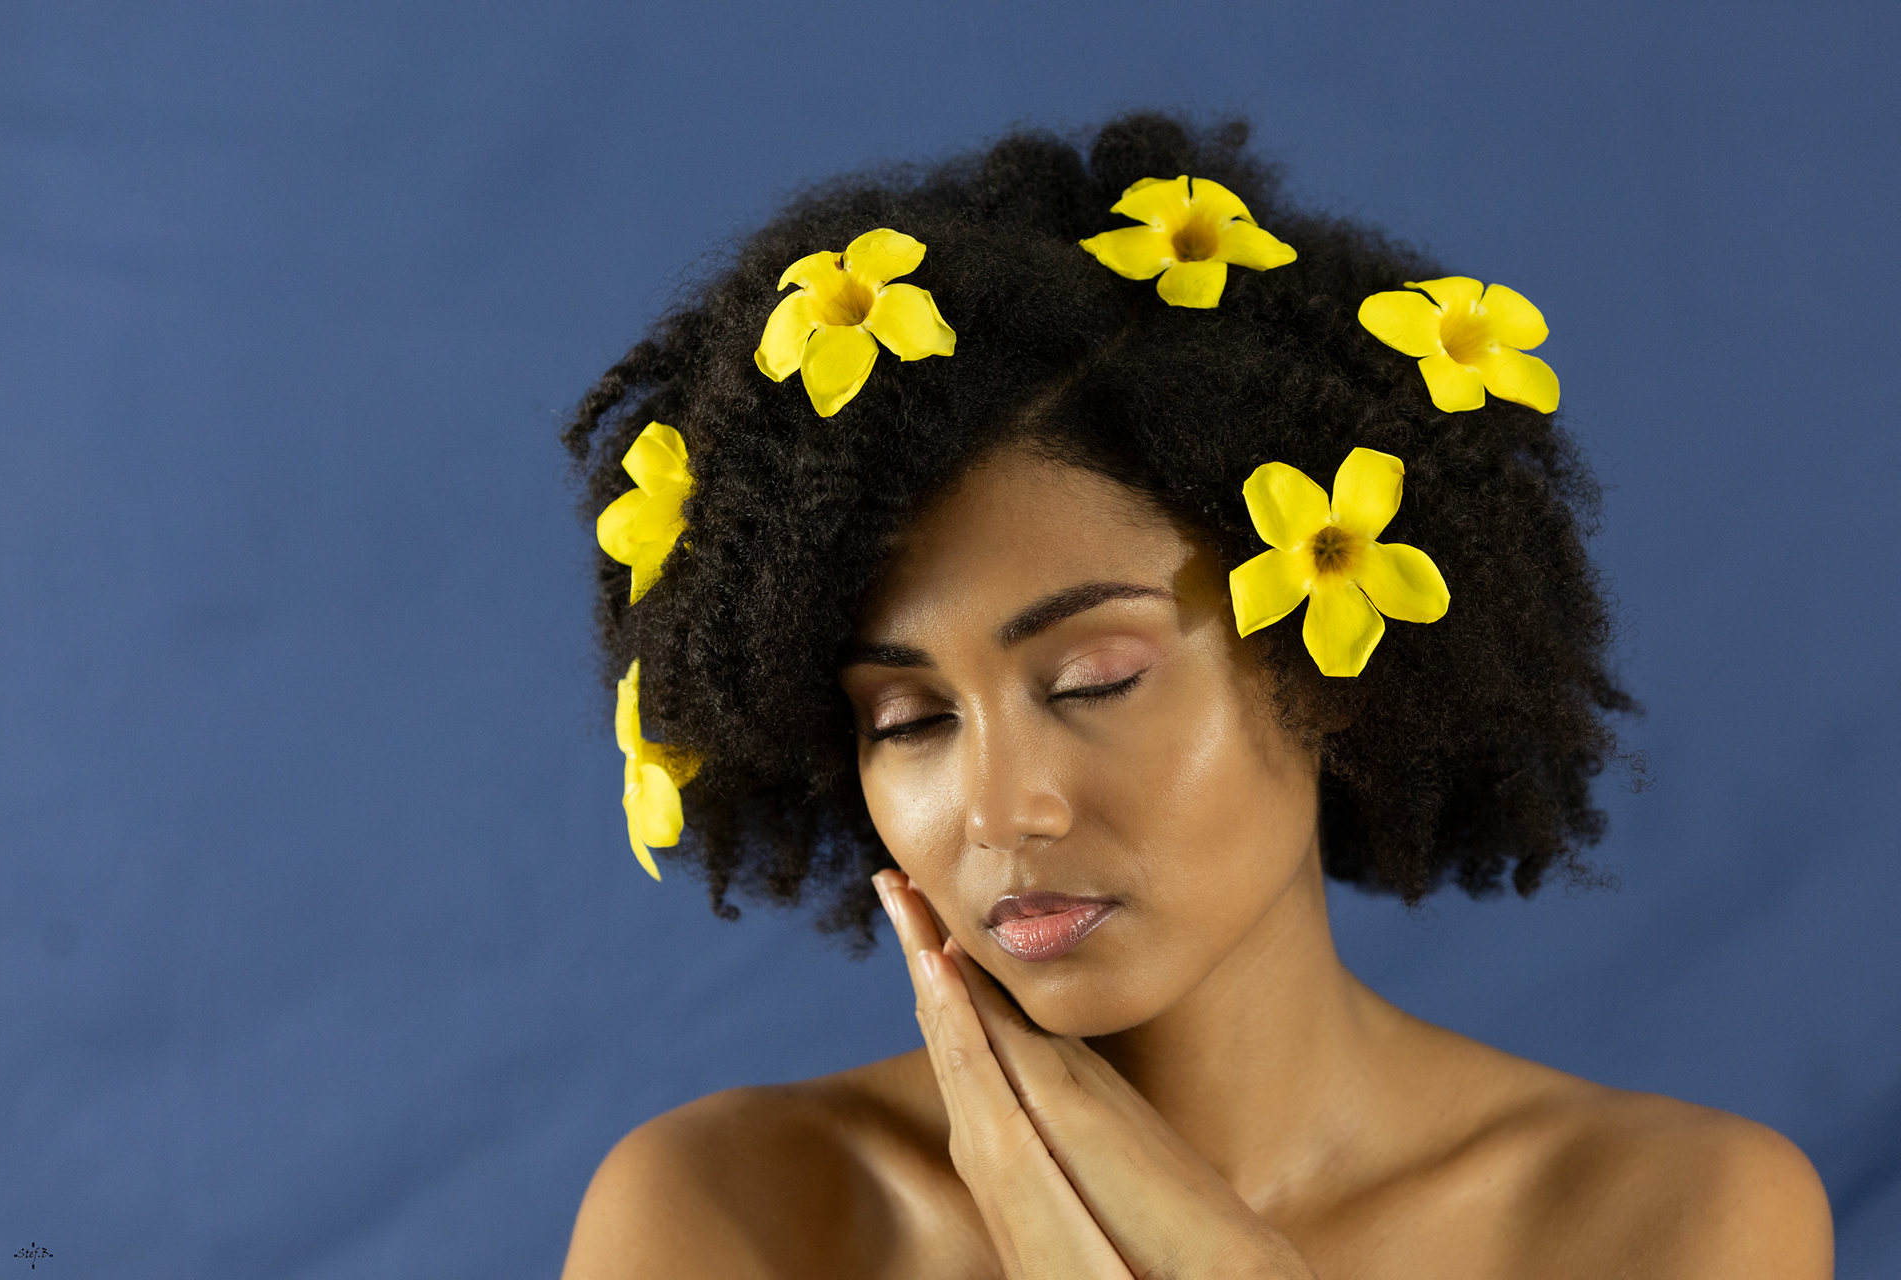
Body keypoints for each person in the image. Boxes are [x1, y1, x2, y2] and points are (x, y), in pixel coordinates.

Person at [556, 114, 1833, 1279]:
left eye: (1094, 679)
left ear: (1328, 662)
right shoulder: (728, 1215)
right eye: (911, 718)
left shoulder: (1673, 1218)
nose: (1002, 808)